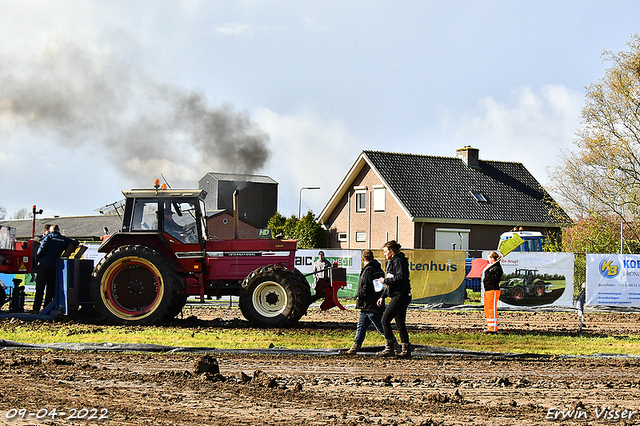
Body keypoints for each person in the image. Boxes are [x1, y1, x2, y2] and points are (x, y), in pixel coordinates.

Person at [339, 249, 386, 355]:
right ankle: (354, 347)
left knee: (380, 326)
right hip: (372, 302)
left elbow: (365, 287)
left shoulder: (368, 270)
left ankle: (393, 345)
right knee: (361, 325)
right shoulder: (379, 269)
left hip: (368, 304)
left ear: (363, 258)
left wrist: (359, 296)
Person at [376, 240, 412, 357]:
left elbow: (400, 278)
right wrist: (382, 296)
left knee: (384, 320)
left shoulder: (399, 261)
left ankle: (389, 348)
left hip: (401, 295)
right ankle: (405, 350)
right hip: (398, 294)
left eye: (386, 251)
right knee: (400, 324)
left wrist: (385, 281)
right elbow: (392, 283)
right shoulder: (392, 262)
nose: (384, 254)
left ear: (392, 251)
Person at [32, 224, 79, 314]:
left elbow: (41, 250)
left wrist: (36, 260)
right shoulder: (63, 239)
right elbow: (75, 243)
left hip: (44, 265)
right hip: (55, 266)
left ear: (50, 230)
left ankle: (36, 309)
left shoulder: (48, 237)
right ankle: (47, 308)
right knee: (50, 288)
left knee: (40, 288)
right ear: (59, 230)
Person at [482, 251, 503, 333]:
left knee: (492, 309)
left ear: (493, 259)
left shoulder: (497, 268)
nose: (488, 261)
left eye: (489, 258)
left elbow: (494, 279)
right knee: (487, 308)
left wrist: (488, 273)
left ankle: (493, 328)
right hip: (488, 290)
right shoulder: (491, 267)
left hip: (493, 290)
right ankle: (490, 326)